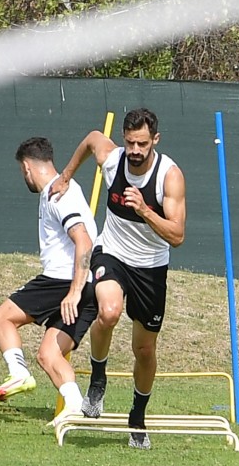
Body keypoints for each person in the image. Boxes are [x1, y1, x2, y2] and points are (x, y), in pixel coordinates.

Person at [54, 107, 186, 446]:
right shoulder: (113, 160)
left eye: (142, 143)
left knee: (144, 349)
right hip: (112, 253)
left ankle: (137, 417)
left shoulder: (169, 176)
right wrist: (66, 175)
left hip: (151, 267)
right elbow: (91, 139)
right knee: (108, 312)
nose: (136, 151)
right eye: (130, 143)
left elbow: (177, 235)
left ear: (155, 139)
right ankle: (98, 379)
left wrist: (143, 209)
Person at [0, 136, 98, 418]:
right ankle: (75, 410)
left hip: (63, 281)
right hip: (90, 286)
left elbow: (83, 241)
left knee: (1, 318)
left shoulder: (56, 193)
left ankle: (18, 373)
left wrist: (73, 291)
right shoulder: (65, 188)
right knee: (49, 354)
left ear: (26, 167)